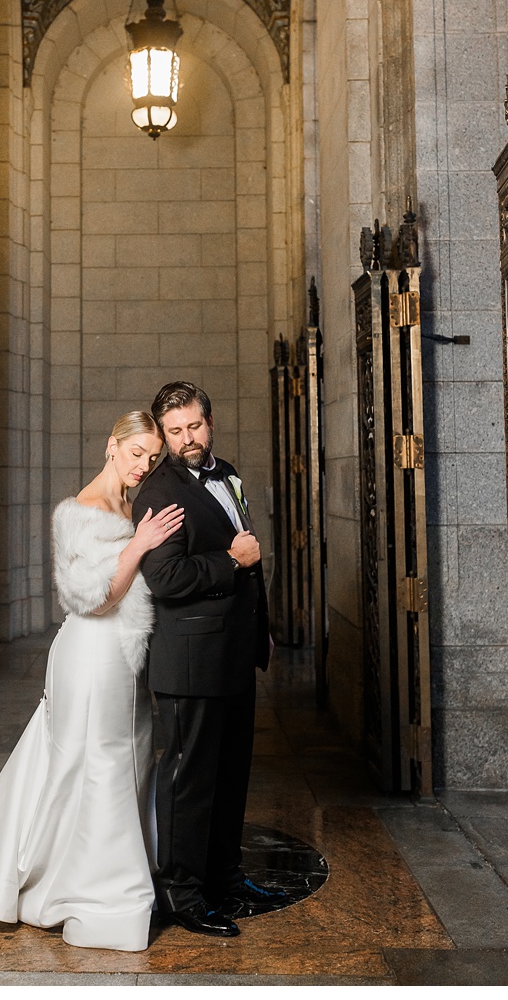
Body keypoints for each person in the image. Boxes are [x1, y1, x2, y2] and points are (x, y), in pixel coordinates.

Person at [0, 411, 183, 952]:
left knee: (121, 757)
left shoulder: (128, 503)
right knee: (96, 764)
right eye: (135, 452)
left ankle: (114, 869)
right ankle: (98, 892)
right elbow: (94, 598)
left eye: (152, 456)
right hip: (92, 655)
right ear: (110, 446)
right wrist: (138, 546)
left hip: (124, 656)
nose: (144, 465)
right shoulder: (81, 511)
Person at [132, 381, 292, 938]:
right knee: (188, 782)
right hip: (190, 661)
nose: (187, 439)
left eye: (194, 426)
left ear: (210, 421)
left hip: (232, 652)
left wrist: (260, 630)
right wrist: (229, 559)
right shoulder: (160, 492)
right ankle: (182, 893)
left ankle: (225, 877)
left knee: (230, 775)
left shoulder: (226, 473)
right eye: (174, 432)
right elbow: (165, 578)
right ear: (162, 434)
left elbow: (251, 559)